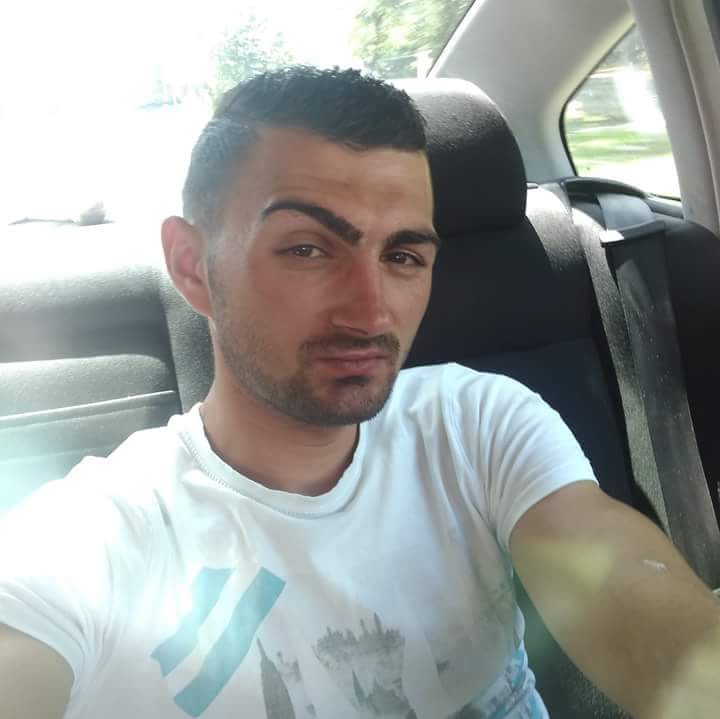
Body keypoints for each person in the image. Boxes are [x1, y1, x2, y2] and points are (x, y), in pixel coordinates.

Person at [1, 66, 719, 719]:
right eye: (307, 249)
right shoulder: (102, 534)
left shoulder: (477, 424)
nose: (372, 312)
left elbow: (635, 597)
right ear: (192, 266)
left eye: (403, 256)